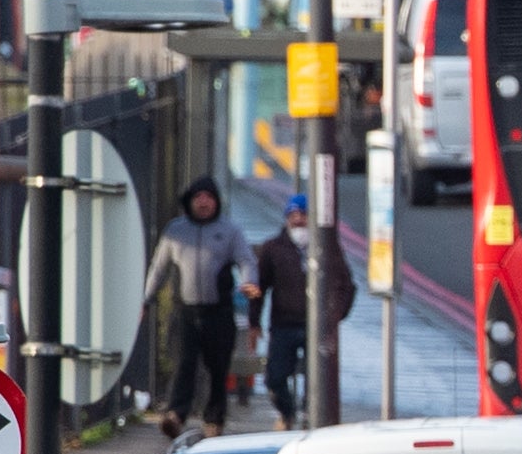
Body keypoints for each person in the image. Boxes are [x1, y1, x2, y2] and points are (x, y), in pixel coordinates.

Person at [144, 179, 251, 437]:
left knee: (218, 368)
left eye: (209, 197)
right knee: (184, 364)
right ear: (190, 201)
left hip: (218, 311)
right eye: (198, 197)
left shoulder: (229, 231)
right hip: (185, 313)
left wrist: (249, 283)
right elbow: (158, 269)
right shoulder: (176, 231)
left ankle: (214, 419)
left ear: (216, 201)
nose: (203, 202)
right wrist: (146, 299)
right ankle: (175, 415)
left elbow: (246, 260)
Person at [252, 189, 361, 423]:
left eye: (304, 214)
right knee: (275, 377)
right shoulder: (273, 248)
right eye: (294, 214)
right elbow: (259, 287)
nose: (299, 219)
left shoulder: (327, 247)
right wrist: (254, 322)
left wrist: (334, 316)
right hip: (283, 325)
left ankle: (309, 415)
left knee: (318, 378)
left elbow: (347, 285)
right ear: (287, 218)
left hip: (317, 326)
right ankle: (287, 412)